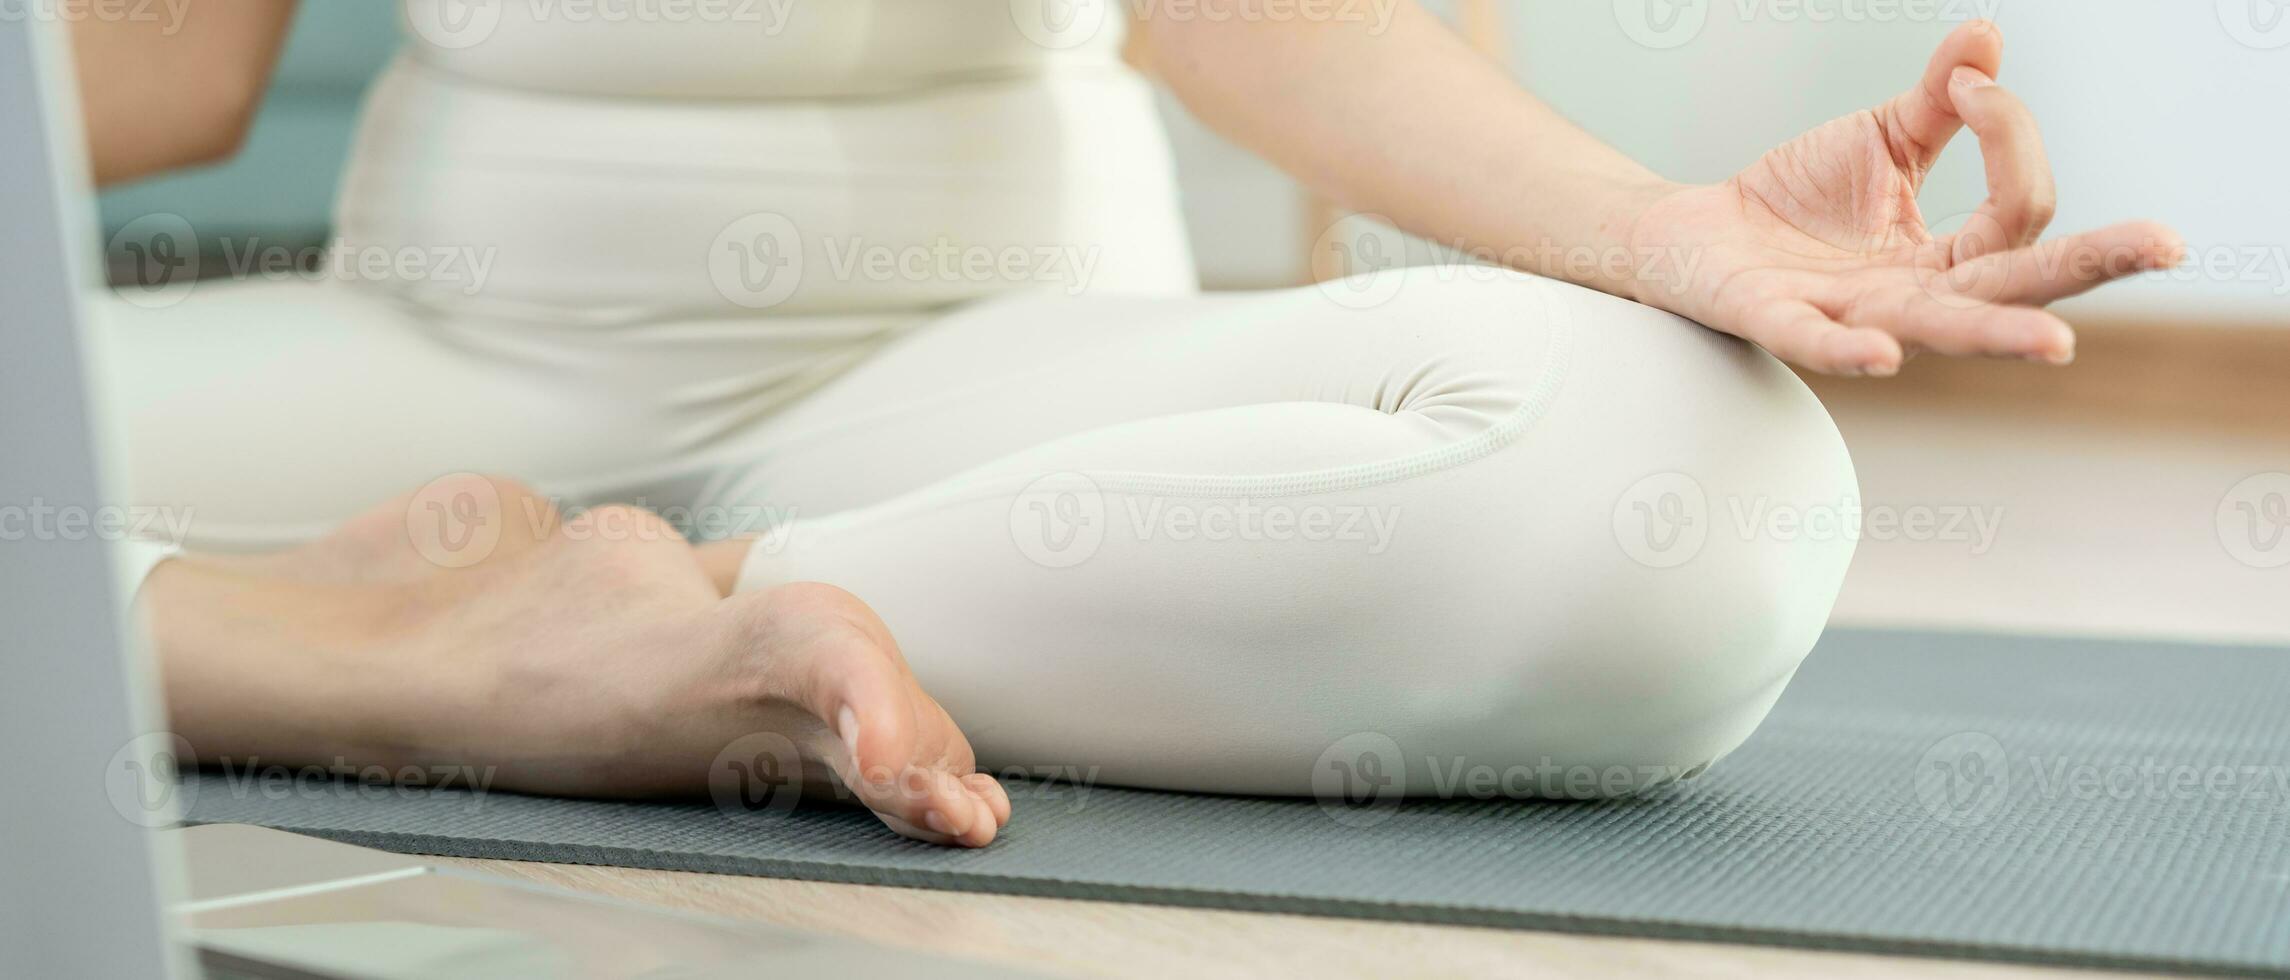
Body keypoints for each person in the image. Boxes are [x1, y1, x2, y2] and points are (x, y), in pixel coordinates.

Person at [80, 2, 2181, 847]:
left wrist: (1652, 227)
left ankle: (686, 609)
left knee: (1676, 478)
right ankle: (413, 652)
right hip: (438, 361)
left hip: (965, 395)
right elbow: (162, 70)